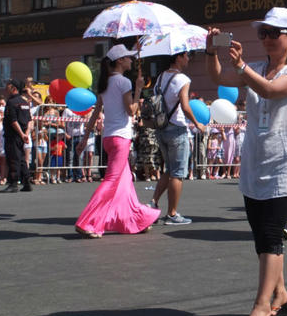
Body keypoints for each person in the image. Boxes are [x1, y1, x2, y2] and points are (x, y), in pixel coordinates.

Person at [205, 7, 287, 316]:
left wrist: (241, 66)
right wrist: (211, 52)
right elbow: (219, 78)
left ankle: (263, 304)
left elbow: (269, 90)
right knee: (261, 238)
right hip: (255, 162)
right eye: (262, 33)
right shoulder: (258, 67)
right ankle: (280, 294)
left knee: (270, 236)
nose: (265, 38)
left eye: (273, 33)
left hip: (284, 165)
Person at [74, 45, 160, 238]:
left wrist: (85, 137)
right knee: (112, 180)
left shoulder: (105, 83)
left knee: (126, 182)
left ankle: (136, 220)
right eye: (128, 57)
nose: (131, 60)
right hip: (121, 137)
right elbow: (131, 110)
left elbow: (96, 112)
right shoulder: (124, 82)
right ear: (120, 61)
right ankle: (87, 221)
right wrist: (138, 89)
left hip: (108, 137)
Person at [149, 51, 205, 225]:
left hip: (161, 127)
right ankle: (172, 214)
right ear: (178, 58)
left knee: (169, 169)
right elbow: (185, 105)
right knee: (178, 173)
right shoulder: (183, 79)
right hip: (177, 128)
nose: (188, 58)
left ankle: (153, 202)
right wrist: (197, 123)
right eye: (186, 55)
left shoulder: (159, 77)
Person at [0, 79, 32, 193]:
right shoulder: (24, 102)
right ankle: (27, 182)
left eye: (8, 86)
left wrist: (22, 134)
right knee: (21, 158)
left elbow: (13, 121)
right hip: (22, 135)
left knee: (13, 159)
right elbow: (29, 120)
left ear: (13, 88)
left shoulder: (12, 102)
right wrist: (26, 134)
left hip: (13, 135)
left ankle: (13, 183)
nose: (5, 88)